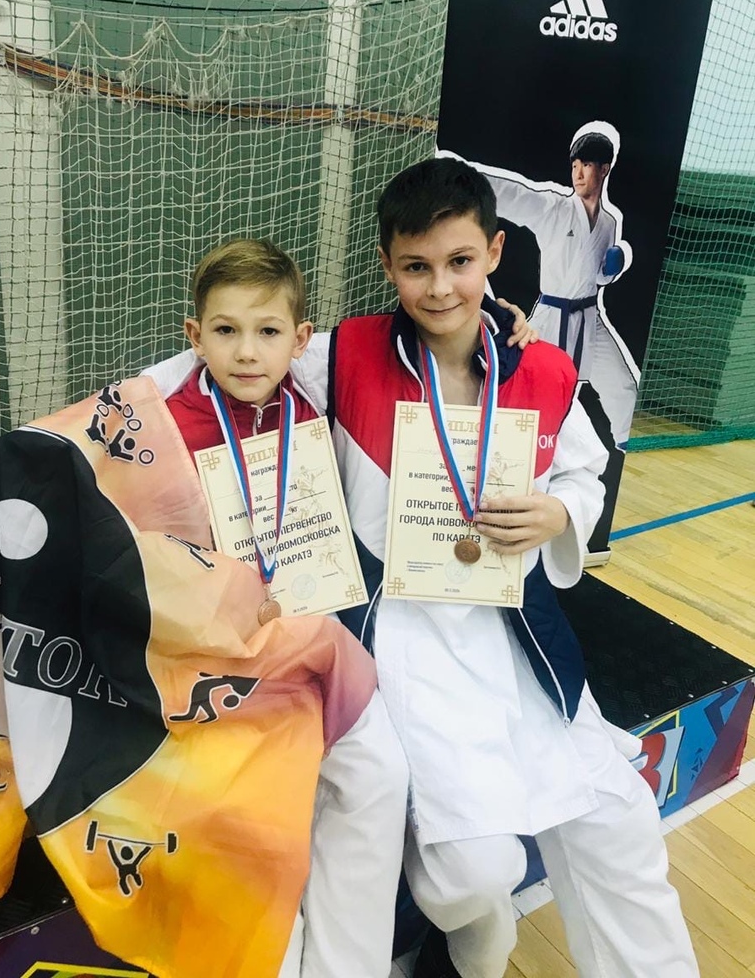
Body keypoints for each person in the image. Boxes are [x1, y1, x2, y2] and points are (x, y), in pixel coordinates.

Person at [291, 159, 698, 978]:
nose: (440, 287)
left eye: (460, 261)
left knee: (618, 824)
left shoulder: (543, 370)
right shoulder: (342, 355)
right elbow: (238, 359)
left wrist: (561, 513)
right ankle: (471, 946)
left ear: (496, 252)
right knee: (471, 877)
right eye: (417, 266)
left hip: (517, 635)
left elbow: (585, 472)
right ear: (386, 264)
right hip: (402, 638)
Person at [148, 237, 409, 978]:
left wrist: (504, 323)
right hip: (214, 663)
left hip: (317, 643)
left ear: (301, 340)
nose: (246, 351)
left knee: (379, 775)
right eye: (225, 330)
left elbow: (418, 345)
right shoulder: (160, 429)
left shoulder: (315, 404)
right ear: (195, 335)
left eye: (267, 331)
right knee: (256, 815)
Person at [439, 123, 639, 447]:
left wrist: (612, 269)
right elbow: (512, 194)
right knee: (525, 385)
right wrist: (454, 172)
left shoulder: (609, 222)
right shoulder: (555, 208)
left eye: (587, 165)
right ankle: (490, 442)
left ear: (604, 169)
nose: (578, 173)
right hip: (552, 315)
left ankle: (625, 447)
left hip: (590, 317)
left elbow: (597, 275)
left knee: (623, 386)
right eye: (575, 165)